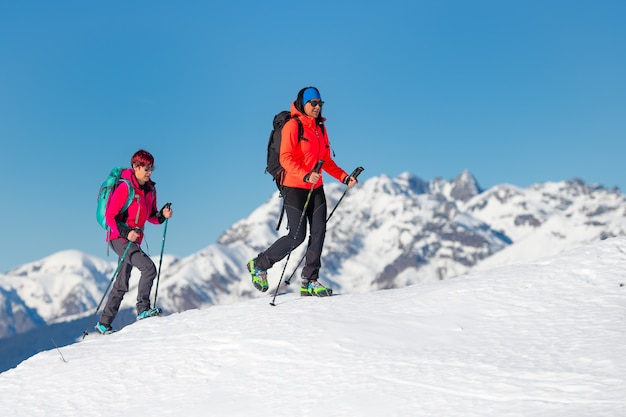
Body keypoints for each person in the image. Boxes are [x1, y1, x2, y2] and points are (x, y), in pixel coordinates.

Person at [247, 86, 357, 297]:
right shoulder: (292, 126)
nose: (317, 107)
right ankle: (259, 265)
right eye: (313, 103)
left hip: (316, 187)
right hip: (294, 186)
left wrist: (344, 177)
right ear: (303, 104)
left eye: (320, 104)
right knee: (297, 236)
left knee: (319, 232)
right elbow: (285, 158)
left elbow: (326, 161)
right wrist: (305, 175)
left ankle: (310, 280)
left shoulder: (320, 129)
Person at [95, 149, 173, 334]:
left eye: (151, 168)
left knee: (121, 283)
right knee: (148, 268)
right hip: (118, 238)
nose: (149, 172)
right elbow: (110, 216)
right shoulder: (125, 188)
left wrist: (162, 215)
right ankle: (143, 310)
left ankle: (104, 323)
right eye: (146, 168)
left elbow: (151, 217)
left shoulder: (150, 189)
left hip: (132, 239)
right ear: (135, 167)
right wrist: (126, 231)